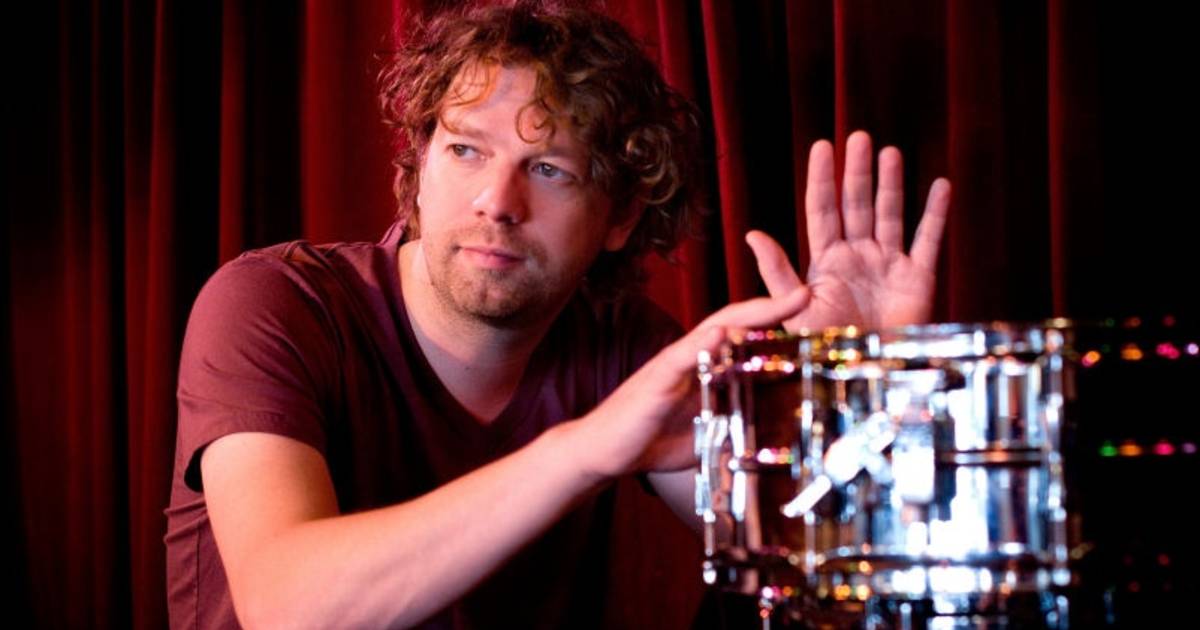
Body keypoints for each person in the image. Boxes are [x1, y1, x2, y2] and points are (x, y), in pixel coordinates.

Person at [164, 2, 951, 628]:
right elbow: (289, 608)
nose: (497, 202)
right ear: (419, 164)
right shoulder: (275, 305)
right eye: (466, 150)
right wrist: (587, 448)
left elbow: (817, 561)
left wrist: (857, 399)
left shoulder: (624, 346)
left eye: (548, 169)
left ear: (620, 216)